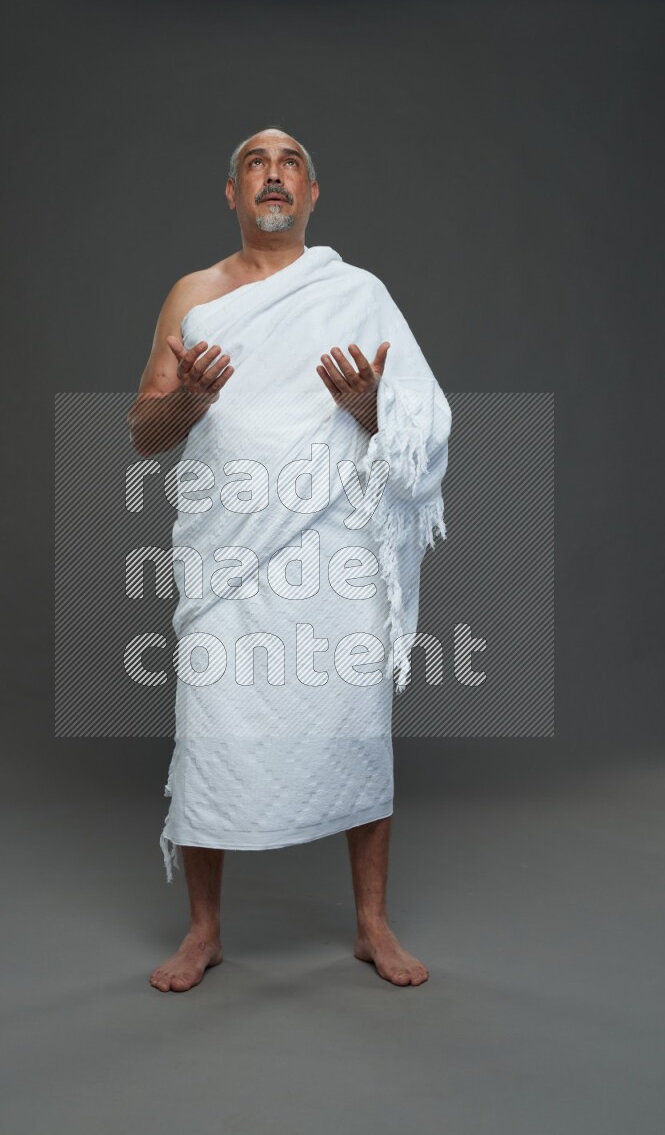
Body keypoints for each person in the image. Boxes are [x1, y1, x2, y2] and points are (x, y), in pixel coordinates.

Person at [128, 127, 451, 992]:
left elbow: (422, 432)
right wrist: (190, 400)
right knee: (210, 731)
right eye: (255, 164)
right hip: (225, 558)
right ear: (231, 194)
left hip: (333, 554)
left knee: (358, 728)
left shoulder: (359, 295)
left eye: (291, 162)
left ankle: (371, 925)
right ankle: (203, 931)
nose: (273, 174)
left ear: (312, 194)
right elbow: (143, 433)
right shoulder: (193, 297)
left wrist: (373, 408)